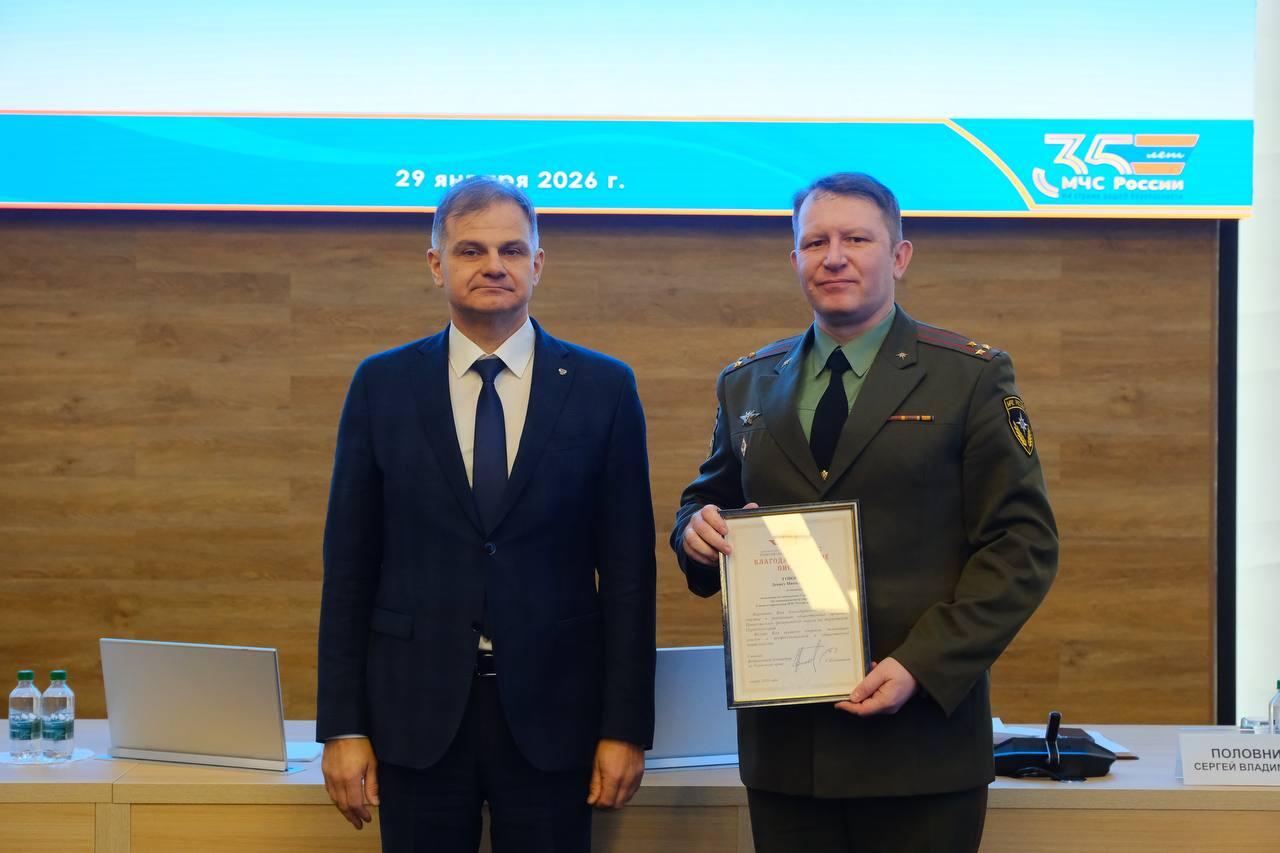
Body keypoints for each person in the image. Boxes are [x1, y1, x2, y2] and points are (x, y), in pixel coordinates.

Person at [672, 172, 1058, 852]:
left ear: (899, 256)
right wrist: (695, 531)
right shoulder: (747, 383)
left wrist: (922, 664)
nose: (834, 257)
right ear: (794, 257)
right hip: (788, 754)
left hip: (922, 747)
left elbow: (1022, 545)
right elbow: (710, 500)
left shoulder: (969, 376)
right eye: (814, 242)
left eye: (856, 239)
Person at [318, 176, 656, 853]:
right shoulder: (382, 385)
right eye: (471, 250)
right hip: (414, 716)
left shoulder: (604, 388)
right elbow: (349, 568)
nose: (493, 265)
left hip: (555, 716)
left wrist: (625, 728)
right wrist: (343, 725)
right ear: (436, 264)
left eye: (511, 250)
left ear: (538, 263)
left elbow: (628, 576)